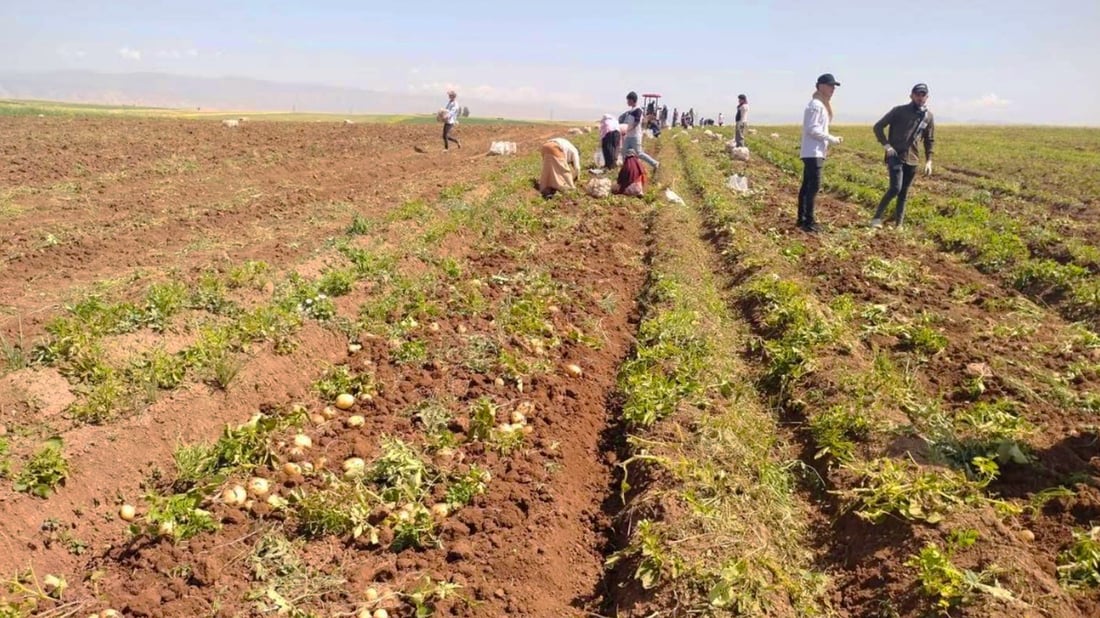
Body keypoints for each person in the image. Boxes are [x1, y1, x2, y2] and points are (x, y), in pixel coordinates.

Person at [869, 83, 935, 228]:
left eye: (923, 95)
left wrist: (929, 161)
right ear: (911, 95)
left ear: (927, 97)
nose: (920, 97)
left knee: (904, 193)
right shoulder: (899, 111)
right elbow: (878, 127)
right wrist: (886, 145)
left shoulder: (928, 117)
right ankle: (876, 219)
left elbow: (929, 140)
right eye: (917, 94)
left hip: (913, 159)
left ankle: (899, 225)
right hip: (895, 156)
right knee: (895, 188)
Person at [797, 74, 843, 232]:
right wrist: (831, 139)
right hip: (813, 152)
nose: (833, 89)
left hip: (814, 152)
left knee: (807, 186)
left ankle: (802, 219)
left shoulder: (819, 104)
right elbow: (812, 129)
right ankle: (808, 222)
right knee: (813, 187)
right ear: (820, 86)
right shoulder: (816, 105)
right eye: (830, 86)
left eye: (834, 86)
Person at [621, 91, 659, 171]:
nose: (627, 102)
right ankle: (626, 170)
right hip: (629, 136)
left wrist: (627, 129)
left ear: (632, 100)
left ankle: (655, 163)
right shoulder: (631, 110)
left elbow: (636, 123)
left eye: (628, 100)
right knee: (624, 152)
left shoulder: (638, 110)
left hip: (635, 136)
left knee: (639, 153)